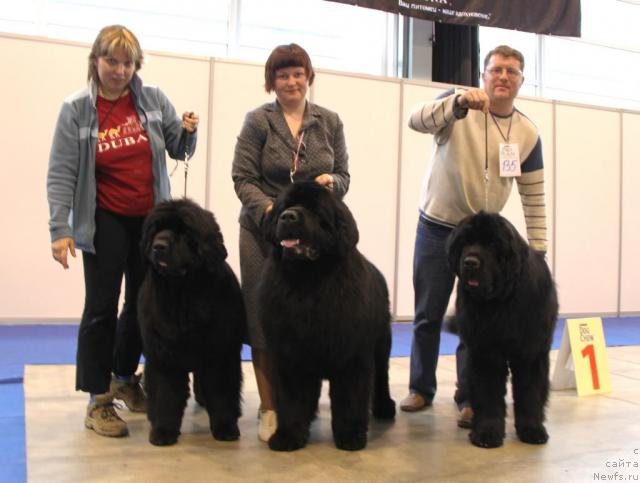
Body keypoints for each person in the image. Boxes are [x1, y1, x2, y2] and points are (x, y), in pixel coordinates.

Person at [47, 25, 199, 437]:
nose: (119, 70)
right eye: (111, 60)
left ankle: (125, 377)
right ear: (96, 60)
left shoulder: (150, 99)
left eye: (127, 62)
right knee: (100, 308)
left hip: (149, 221)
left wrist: (187, 130)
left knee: (141, 303)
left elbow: (177, 148)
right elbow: (61, 173)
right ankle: (98, 400)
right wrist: (60, 229)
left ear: (137, 65)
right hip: (105, 219)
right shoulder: (77, 108)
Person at [401, 45, 548, 428]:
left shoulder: (528, 132)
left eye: (512, 71)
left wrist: (539, 249)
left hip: (484, 241)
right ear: (484, 75)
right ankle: (420, 388)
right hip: (436, 228)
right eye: (497, 69)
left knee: (476, 323)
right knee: (427, 315)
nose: (503, 76)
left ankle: (469, 397)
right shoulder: (454, 104)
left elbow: (533, 195)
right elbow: (415, 120)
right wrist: (458, 104)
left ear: (521, 81)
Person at [232, 43, 350, 442]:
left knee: (311, 324)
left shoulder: (329, 121)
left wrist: (333, 183)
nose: (291, 82)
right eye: (282, 75)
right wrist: (271, 210)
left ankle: (300, 404)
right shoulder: (257, 121)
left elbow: (344, 176)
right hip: (264, 234)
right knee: (264, 324)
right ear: (272, 81)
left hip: (313, 244)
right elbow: (242, 177)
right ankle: (269, 408)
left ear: (308, 76)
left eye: (297, 73)